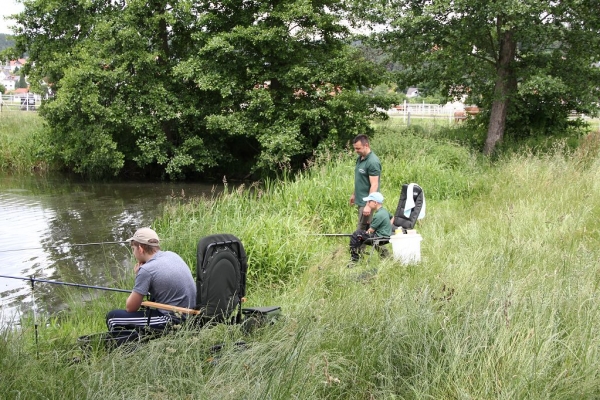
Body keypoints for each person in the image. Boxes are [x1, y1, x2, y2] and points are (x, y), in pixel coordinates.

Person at [106, 227, 197, 331]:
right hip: (191, 314)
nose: (133, 253)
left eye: (133, 249)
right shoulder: (172, 255)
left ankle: (124, 346)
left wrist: (138, 276)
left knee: (112, 318)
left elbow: (131, 307)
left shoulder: (146, 270)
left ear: (140, 248)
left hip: (173, 320)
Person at [348, 192, 393, 265]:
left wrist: (365, 231)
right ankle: (358, 256)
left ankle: (355, 259)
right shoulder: (384, 211)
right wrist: (388, 226)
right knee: (360, 234)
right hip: (385, 235)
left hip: (378, 237)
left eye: (369, 201)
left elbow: (371, 231)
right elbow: (393, 217)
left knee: (356, 235)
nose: (368, 203)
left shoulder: (378, 215)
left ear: (375, 202)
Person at [349, 134, 382, 231]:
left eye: (358, 148)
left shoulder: (373, 162)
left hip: (367, 201)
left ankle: (358, 246)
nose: (356, 151)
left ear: (366, 145)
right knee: (365, 226)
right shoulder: (360, 158)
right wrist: (354, 194)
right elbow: (360, 180)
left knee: (362, 228)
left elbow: (374, 184)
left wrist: (368, 205)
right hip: (360, 199)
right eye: (355, 148)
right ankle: (374, 244)